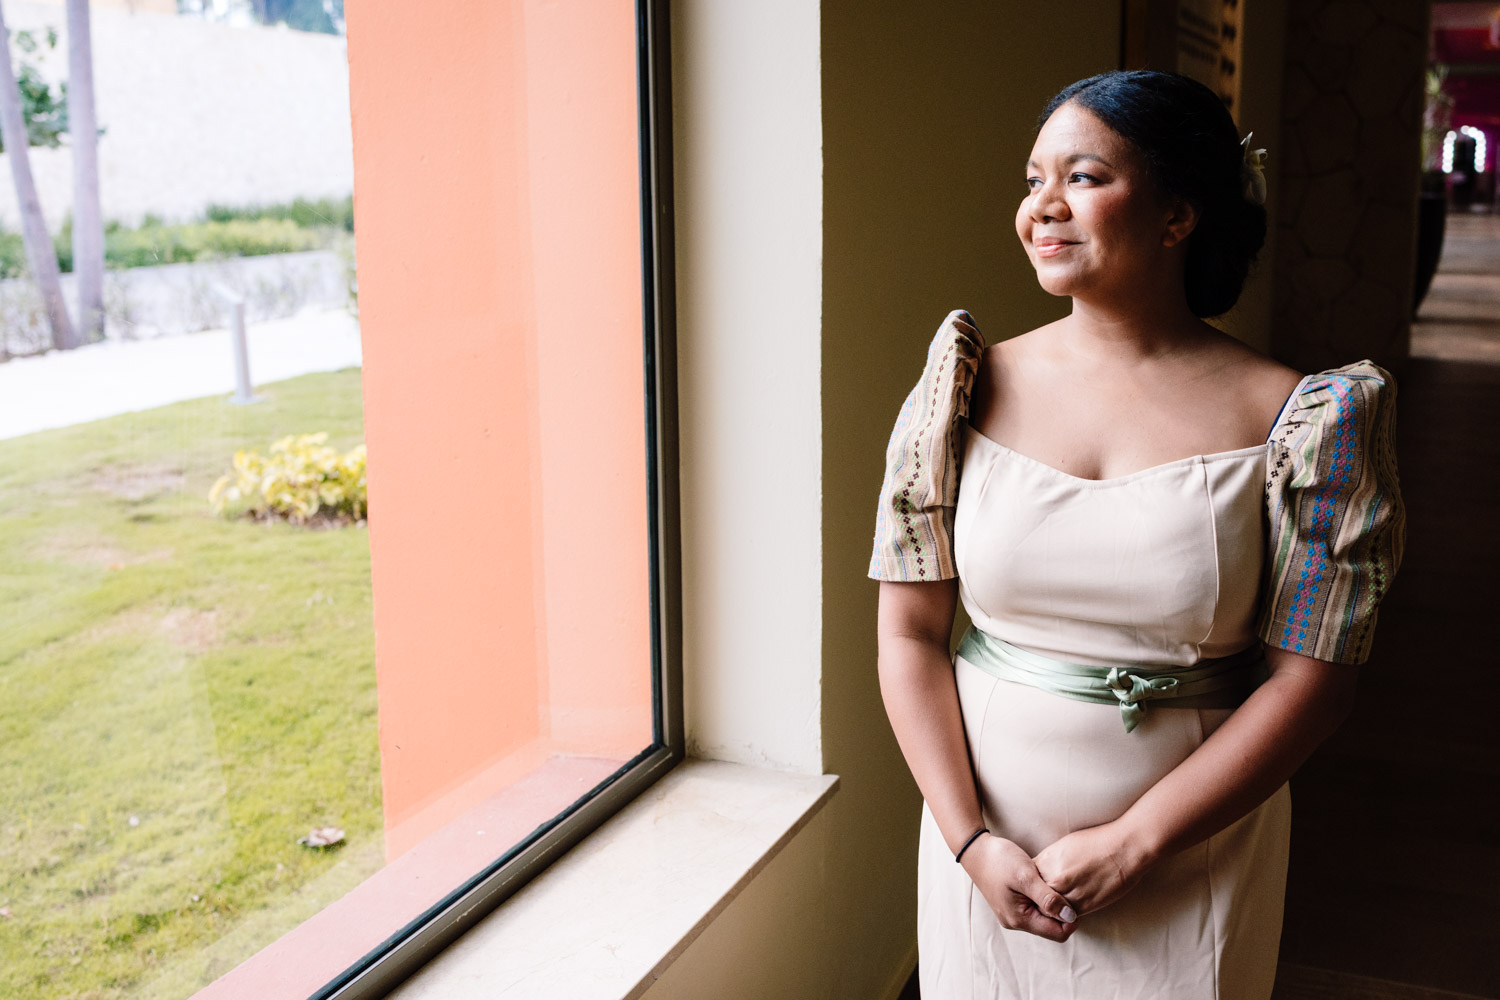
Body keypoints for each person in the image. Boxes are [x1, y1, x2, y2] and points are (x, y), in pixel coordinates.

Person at [868, 69, 1406, 999]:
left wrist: (1138, 841)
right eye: (1033, 179)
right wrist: (967, 840)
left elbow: (1315, 684)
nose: (1042, 207)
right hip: (985, 850)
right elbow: (909, 632)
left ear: (1177, 213)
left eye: (1082, 177)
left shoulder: (1306, 420)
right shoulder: (959, 390)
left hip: (1193, 849)